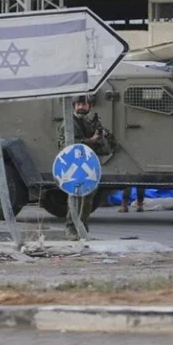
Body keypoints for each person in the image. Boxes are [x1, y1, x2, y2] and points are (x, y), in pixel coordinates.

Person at [57, 95, 112, 240]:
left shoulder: (91, 122)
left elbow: (106, 149)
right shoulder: (69, 123)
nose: (81, 107)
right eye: (78, 104)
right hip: (73, 166)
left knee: (88, 198)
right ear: (74, 106)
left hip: (88, 165)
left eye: (84, 104)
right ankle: (71, 228)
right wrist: (91, 140)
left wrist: (102, 138)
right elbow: (67, 145)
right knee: (74, 197)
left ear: (90, 106)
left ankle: (82, 228)